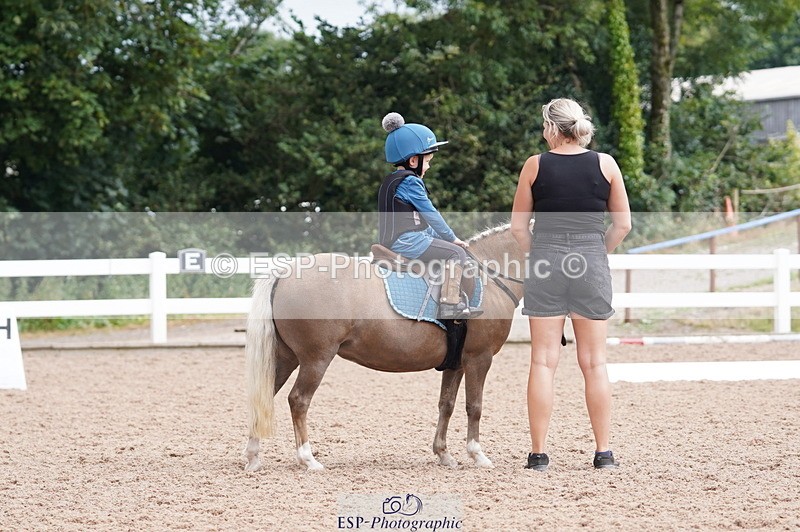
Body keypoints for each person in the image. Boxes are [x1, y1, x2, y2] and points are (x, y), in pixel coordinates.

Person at [510, 98, 632, 470]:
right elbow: (623, 224)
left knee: (543, 362)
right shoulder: (606, 163)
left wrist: (542, 254)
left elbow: (518, 227)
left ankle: (539, 454)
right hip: (590, 258)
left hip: (546, 257)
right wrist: (596, 251)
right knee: (594, 363)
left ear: (551, 127)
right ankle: (603, 453)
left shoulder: (535, 165)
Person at [378, 112, 482, 320]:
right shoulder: (411, 181)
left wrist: (445, 238)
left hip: (395, 239)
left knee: (449, 249)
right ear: (414, 160)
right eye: (428, 161)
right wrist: (452, 239)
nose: (429, 166)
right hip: (408, 242)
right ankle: (450, 305)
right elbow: (431, 214)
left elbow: (420, 223)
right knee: (456, 255)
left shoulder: (391, 181)